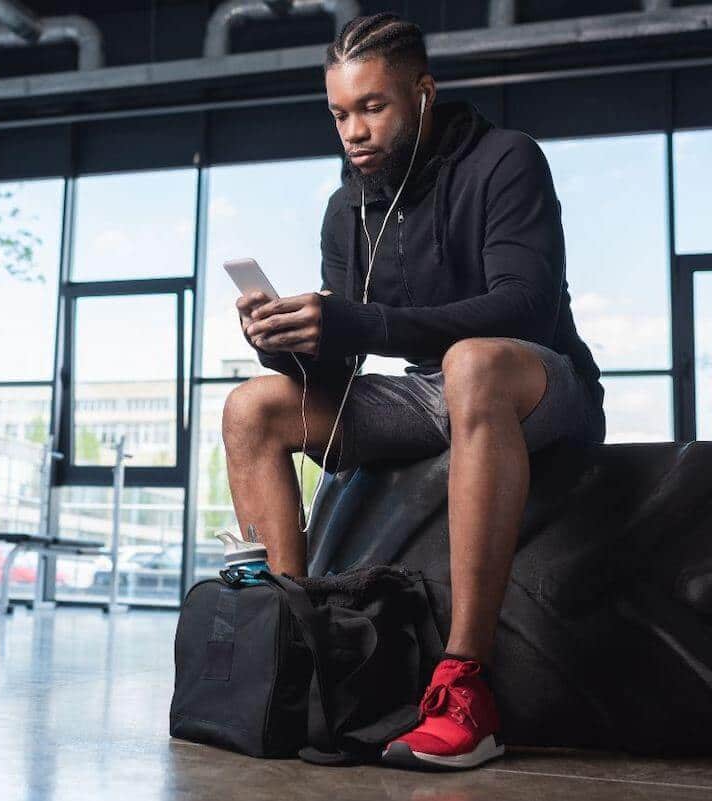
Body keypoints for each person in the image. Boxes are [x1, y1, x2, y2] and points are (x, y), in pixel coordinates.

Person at [222, 12, 605, 770]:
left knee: (471, 362)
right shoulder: (347, 208)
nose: (353, 130)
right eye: (339, 113)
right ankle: (301, 662)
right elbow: (338, 375)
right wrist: (286, 344)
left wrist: (356, 319)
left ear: (423, 95)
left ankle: (466, 688)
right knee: (250, 409)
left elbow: (524, 306)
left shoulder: (505, 161)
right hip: (432, 397)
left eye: (373, 106)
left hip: (536, 383)